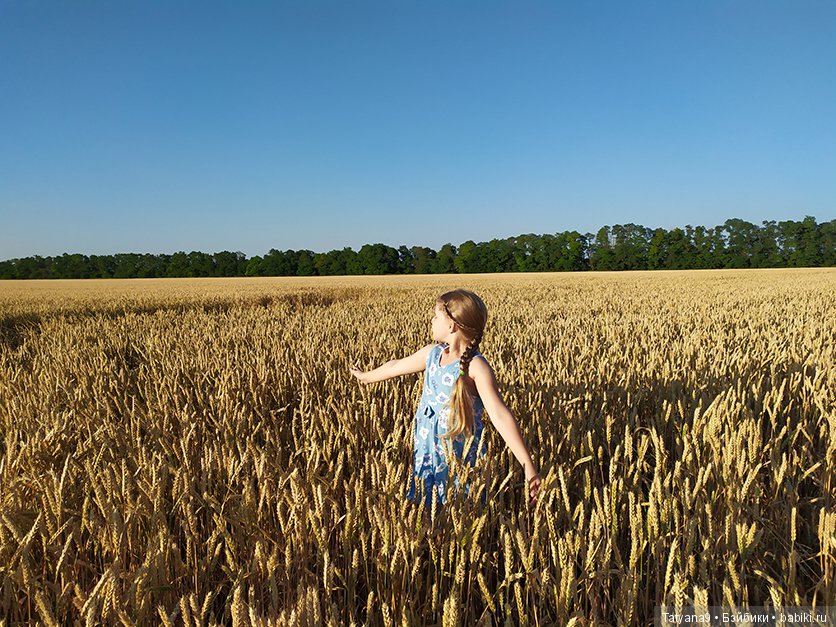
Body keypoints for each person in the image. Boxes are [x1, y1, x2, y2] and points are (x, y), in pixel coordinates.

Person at [349, 288, 541, 515]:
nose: (431, 320)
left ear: (452, 325)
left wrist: (527, 465)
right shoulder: (432, 354)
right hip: (428, 448)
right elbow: (394, 366)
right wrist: (366, 377)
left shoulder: (475, 366)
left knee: (459, 509)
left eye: (436, 316)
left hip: (459, 454)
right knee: (426, 508)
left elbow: (500, 415)